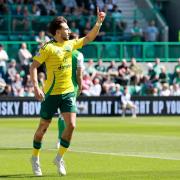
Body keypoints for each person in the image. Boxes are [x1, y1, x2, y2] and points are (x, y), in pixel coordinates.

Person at [30, 8, 106, 176]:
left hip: (68, 92)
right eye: (66, 28)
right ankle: (35, 158)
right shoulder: (47, 48)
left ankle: (59, 158)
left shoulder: (71, 44)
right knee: (43, 128)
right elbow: (34, 66)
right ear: (58, 32)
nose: (69, 31)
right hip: (50, 93)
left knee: (71, 125)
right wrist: (35, 86)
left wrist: (98, 22)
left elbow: (89, 38)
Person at [57, 32, 84, 149]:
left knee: (61, 114)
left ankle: (60, 139)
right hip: (71, 87)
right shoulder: (78, 55)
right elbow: (79, 75)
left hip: (59, 85)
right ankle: (62, 140)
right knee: (67, 115)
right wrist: (81, 86)